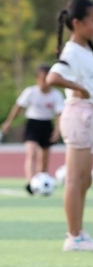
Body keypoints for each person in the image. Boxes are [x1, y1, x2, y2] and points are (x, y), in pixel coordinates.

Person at [46, 0, 93, 251]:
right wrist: (79, 88)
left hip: (87, 116)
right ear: (76, 23)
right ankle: (73, 236)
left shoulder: (85, 49)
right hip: (78, 115)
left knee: (85, 179)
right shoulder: (72, 50)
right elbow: (52, 78)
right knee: (75, 179)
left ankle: (79, 232)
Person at [1, 65, 64, 194]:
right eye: (42, 79)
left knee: (44, 158)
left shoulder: (56, 95)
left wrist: (57, 130)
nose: (44, 82)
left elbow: (59, 114)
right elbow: (18, 107)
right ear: (37, 79)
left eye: (47, 79)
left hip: (46, 125)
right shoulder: (30, 92)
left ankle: (41, 180)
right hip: (33, 124)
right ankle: (31, 183)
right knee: (31, 153)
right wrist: (8, 122)